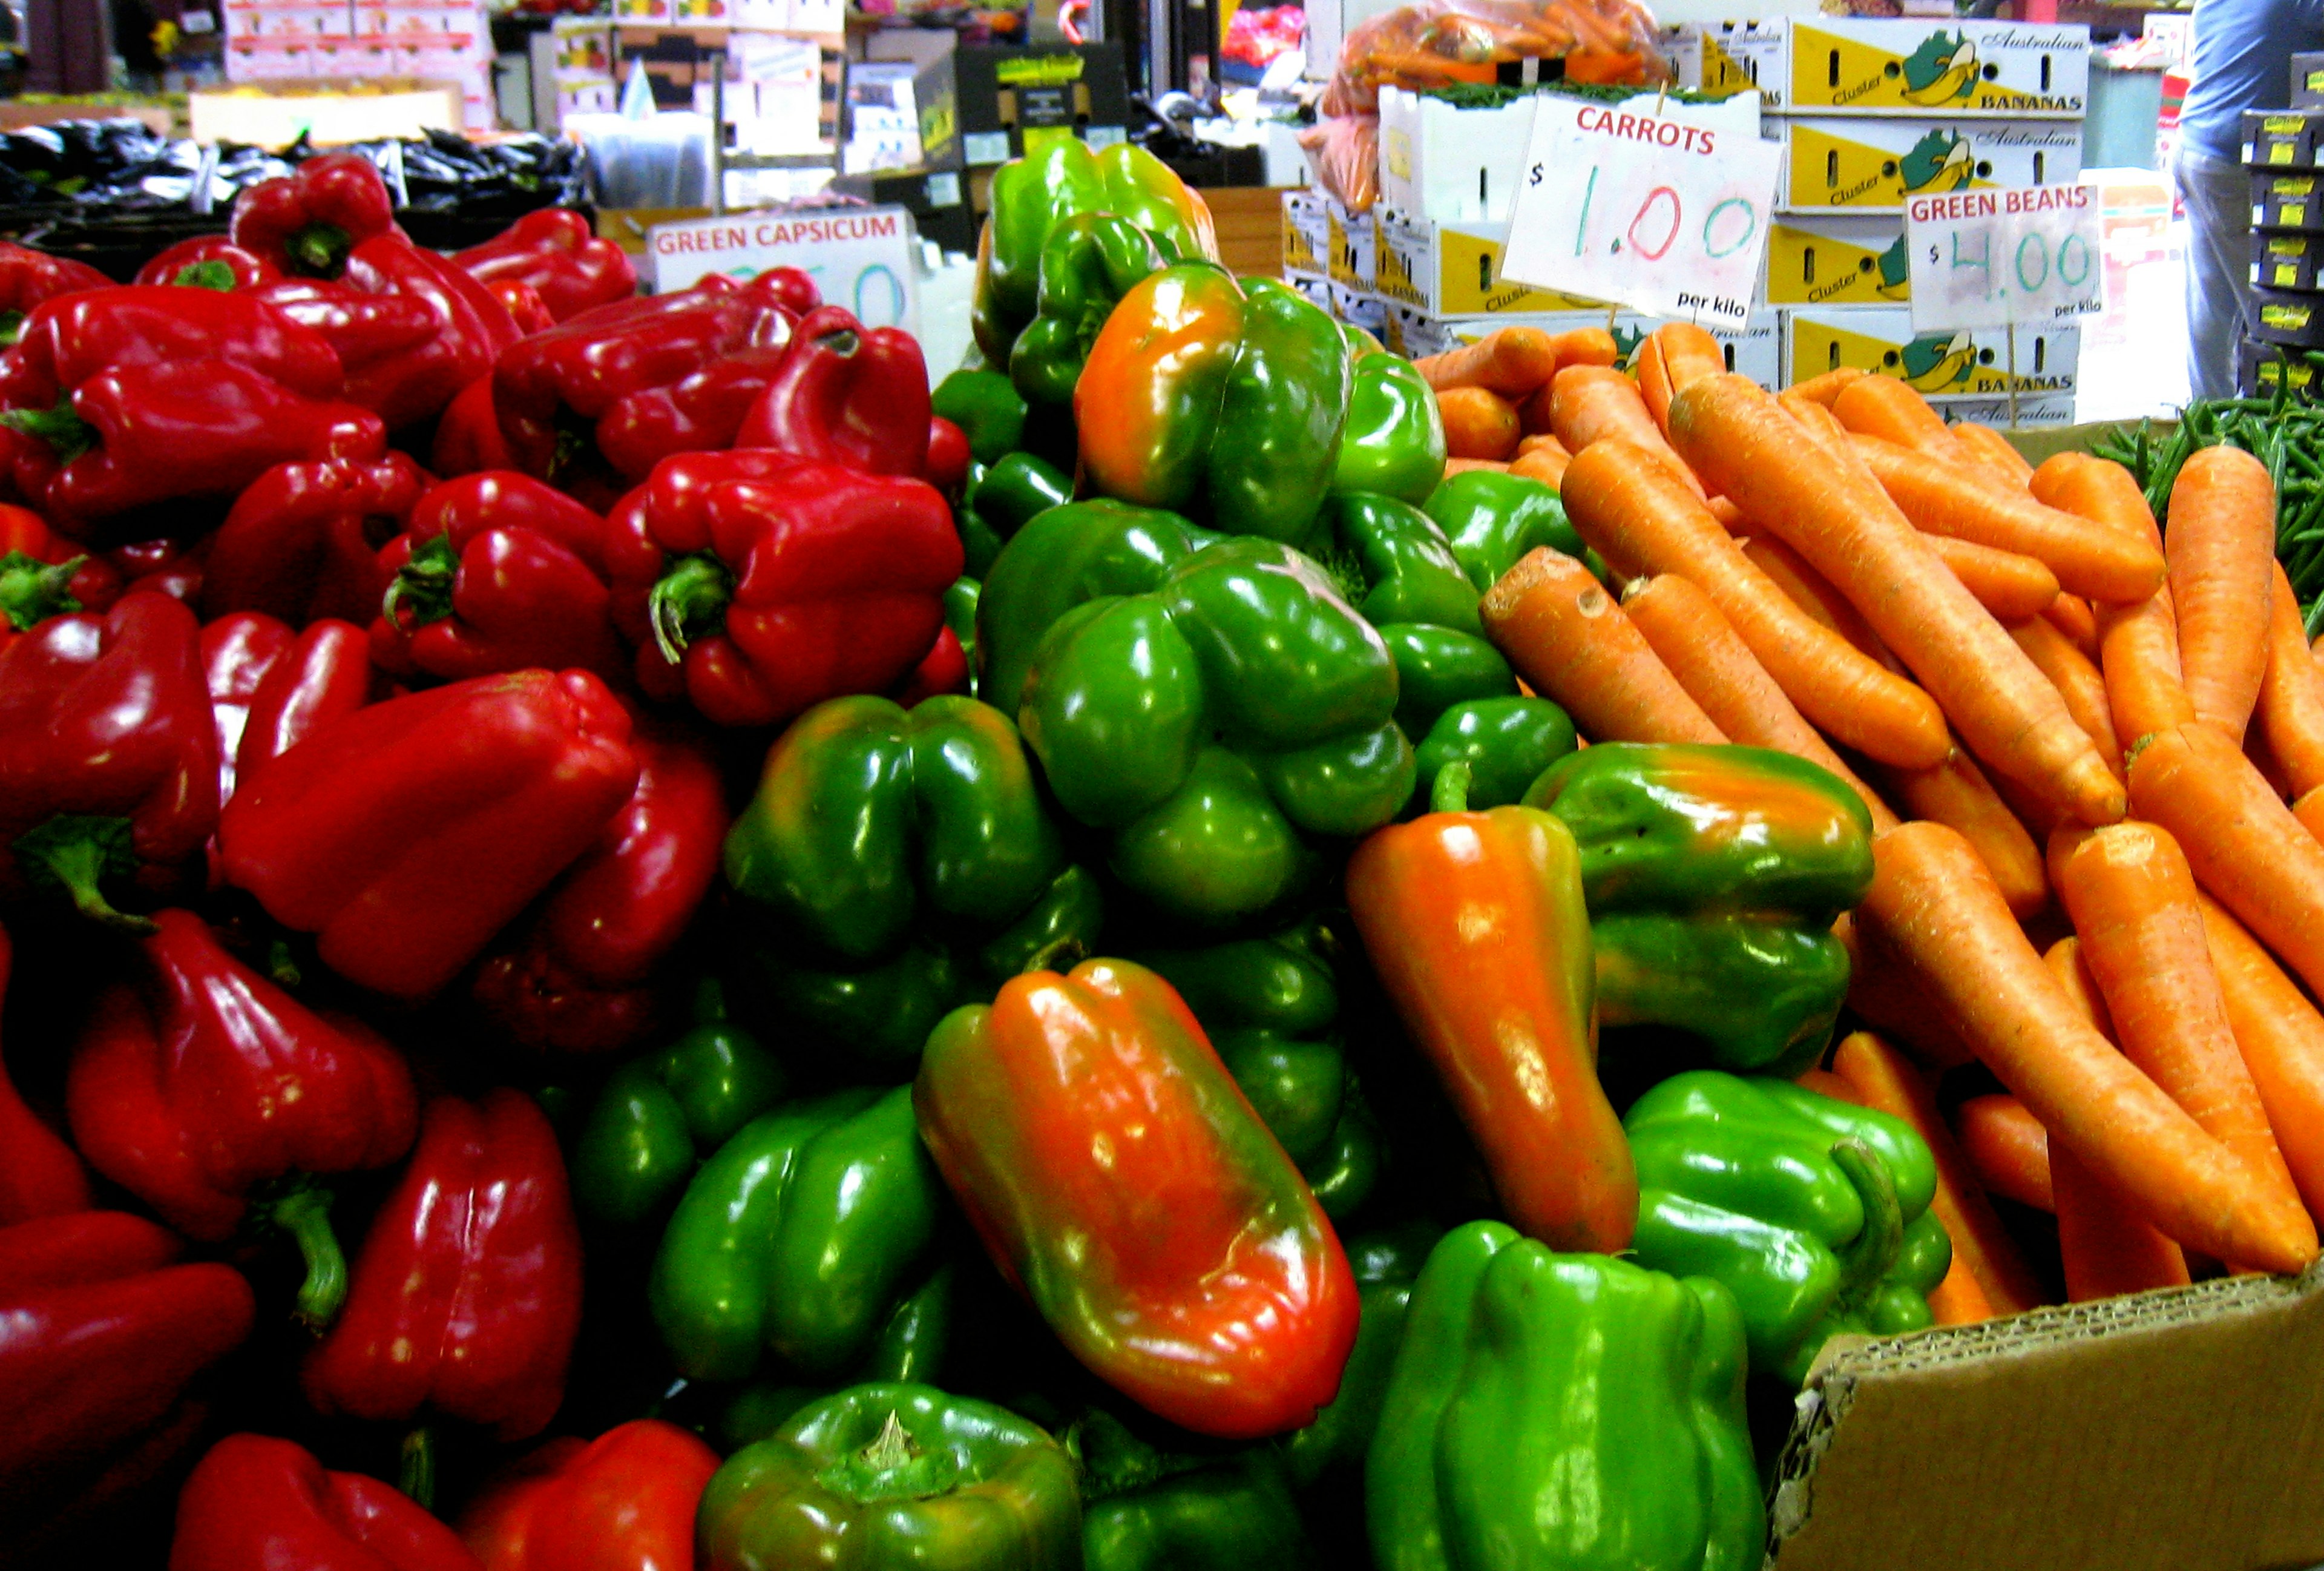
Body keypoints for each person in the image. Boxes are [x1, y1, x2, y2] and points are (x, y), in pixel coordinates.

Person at [2176, 0, 2324, 400]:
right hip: (2241, 167)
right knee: (2282, 318)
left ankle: (2209, 433)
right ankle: (2279, 432)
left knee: (2213, 310)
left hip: (2196, 149)